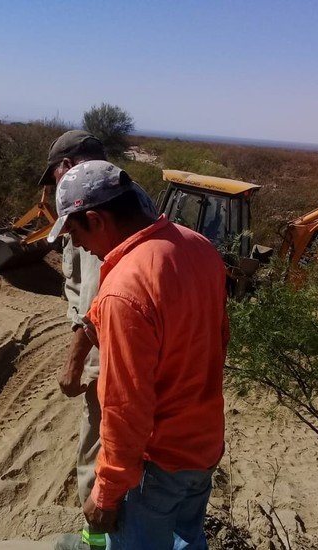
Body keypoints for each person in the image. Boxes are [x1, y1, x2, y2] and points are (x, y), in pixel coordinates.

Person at [47, 160, 228, 550]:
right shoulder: (199, 248)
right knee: (188, 542)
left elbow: (126, 406)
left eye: (74, 232)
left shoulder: (125, 288)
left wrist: (107, 492)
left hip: (155, 464)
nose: (76, 245)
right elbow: (219, 341)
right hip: (203, 446)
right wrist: (75, 360)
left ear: (95, 220)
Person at [39, 131, 155, 550]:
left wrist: (75, 362)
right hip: (109, 346)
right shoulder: (127, 202)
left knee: (104, 451)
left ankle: (101, 541)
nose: (55, 187)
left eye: (55, 176)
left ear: (67, 166)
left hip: (110, 355)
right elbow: (79, 290)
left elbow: (99, 301)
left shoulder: (97, 214)